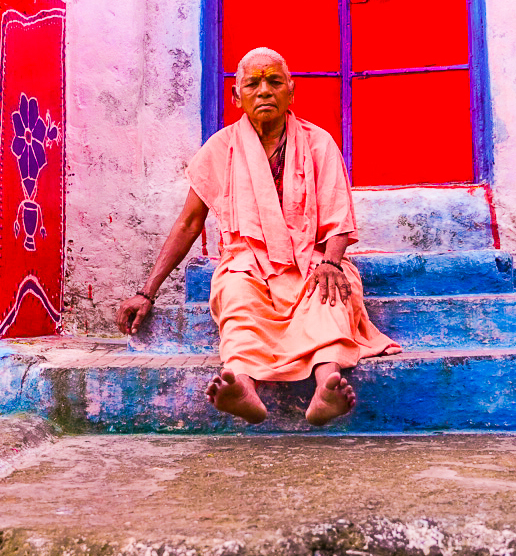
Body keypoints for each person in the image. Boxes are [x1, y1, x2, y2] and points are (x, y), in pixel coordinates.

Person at [117, 47, 398, 425]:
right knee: (237, 297)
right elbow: (188, 223)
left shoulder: (320, 144)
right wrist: (146, 291)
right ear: (237, 97)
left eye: (274, 81)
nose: (264, 90)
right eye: (252, 83)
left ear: (291, 92)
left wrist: (332, 261)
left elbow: (339, 219)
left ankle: (325, 387)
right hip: (247, 265)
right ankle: (242, 387)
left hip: (314, 260)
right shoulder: (219, 149)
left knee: (330, 293)